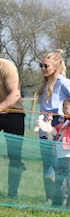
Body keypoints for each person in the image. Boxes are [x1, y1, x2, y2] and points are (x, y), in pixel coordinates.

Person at [37, 50, 70, 204]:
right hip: (45, 126)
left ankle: (62, 195)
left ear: (56, 67)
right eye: (41, 65)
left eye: (46, 66)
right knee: (47, 162)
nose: (43, 68)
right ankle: (50, 197)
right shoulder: (45, 84)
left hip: (59, 126)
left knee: (58, 163)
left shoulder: (63, 82)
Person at [0, 58, 26, 199]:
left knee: (14, 156)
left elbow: (15, 94)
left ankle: (13, 194)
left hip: (14, 114)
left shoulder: (6, 67)